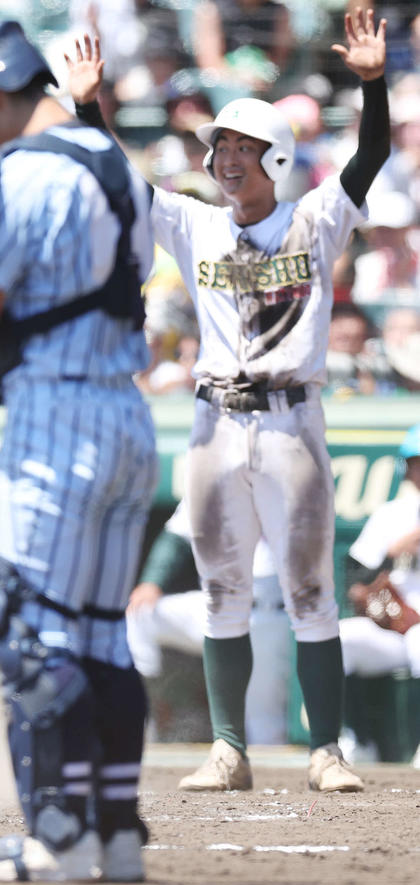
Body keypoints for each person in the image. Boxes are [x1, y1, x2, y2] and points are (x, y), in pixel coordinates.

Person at [67, 9, 391, 794]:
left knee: (309, 591)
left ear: (275, 155)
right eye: (220, 146)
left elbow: (372, 153)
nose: (226, 157)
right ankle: (228, 748)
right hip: (215, 419)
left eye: (243, 146)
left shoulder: (312, 221)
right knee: (222, 591)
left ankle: (325, 751)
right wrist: (88, 108)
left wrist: (374, 87)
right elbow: (117, 182)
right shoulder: (194, 224)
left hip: (290, 418)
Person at [0, 20, 159, 883]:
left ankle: (55, 835)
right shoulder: (121, 164)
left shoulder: (24, 169)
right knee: (100, 642)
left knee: (34, 639)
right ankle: (115, 836)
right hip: (127, 414)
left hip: (56, 416)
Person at [125, 499, 292, 747]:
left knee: (266, 728)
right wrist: (152, 581)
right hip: (216, 607)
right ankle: (143, 713)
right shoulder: (211, 476)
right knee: (140, 615)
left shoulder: (281, 479)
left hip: (266, 615)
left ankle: (273, 784)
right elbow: (176, 536)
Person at [339, 423, 420, 765]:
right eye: (417, 461)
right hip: (393, 630)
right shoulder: (392, 515)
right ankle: (355, 740)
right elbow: (355, 579)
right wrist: (393, 552)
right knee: (339, 637)